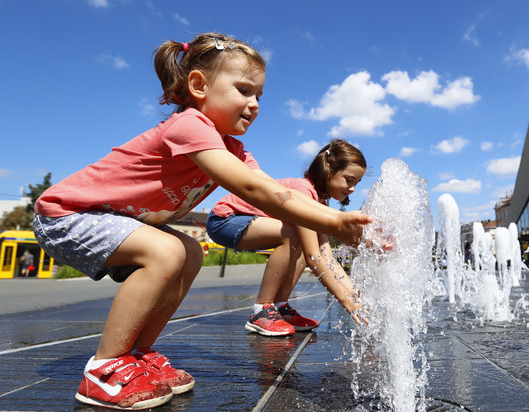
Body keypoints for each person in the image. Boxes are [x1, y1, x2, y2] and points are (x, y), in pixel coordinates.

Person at [32, 32, 372, 411]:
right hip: (67, 214)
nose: (254, 104)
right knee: (166, 250)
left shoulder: (234, 150)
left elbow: (269, 188)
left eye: (259, 95)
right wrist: (336, 223)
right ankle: (104, 369)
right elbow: (250, 188)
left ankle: (138, 353)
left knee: (189, 251)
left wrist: (342, 222)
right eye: (244, 90)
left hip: (114, 220)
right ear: (199, 85)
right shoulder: (189, 125)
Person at [207, 139, 366, 336]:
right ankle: (261, 310)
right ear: (328, 170)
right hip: (226, 219)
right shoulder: (304, 191)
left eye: (356, 184)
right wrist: (345, 299)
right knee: (295, 234)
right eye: (349, 180)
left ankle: (280, 307)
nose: (352, 189)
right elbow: (313, 257)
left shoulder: (321, 203)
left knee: (300, 237)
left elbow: (327, 256)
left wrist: (355, 295)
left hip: (248, 222)